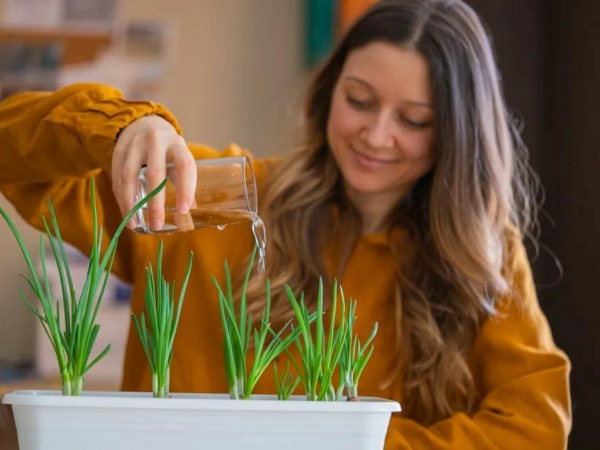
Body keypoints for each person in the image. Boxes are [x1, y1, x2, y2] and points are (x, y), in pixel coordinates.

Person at [0, 0, 571, 447]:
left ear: (457, 134)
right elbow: (11, 153)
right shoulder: (215, 199)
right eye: (360, 100)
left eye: (415, 120)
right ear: (329, 93)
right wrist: (120, 128)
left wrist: (345, 443)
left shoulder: (480, 252)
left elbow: (535, 427)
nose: (376, 136)